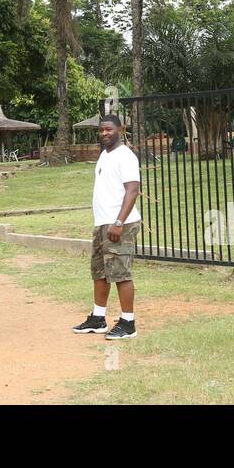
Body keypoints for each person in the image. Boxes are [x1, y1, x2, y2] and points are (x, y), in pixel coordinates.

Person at [72, 114, 141, 339]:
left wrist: (119, 222)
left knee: (120, 273)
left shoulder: (126, 156)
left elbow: (132, 190)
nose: (104, 133)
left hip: (120, 223)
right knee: (99, 272)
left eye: (109, 129)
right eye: (101, 130)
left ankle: (128, 323)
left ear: (120, 129)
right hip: (103, 223)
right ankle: (98, 317)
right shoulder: (105, 155)